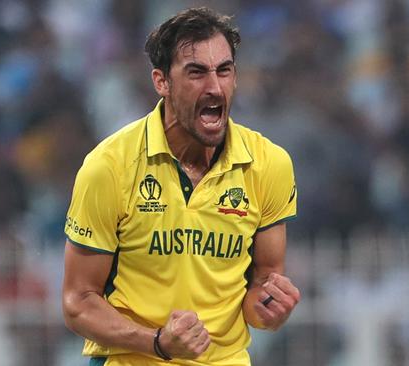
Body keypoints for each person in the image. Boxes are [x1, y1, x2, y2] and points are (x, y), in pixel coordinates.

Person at [62, 7, 300, 366]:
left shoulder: (269, 165)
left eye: (224, 70)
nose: (214, 87)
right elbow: (78, 302)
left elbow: (262, 286)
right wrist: (157, 342)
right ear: (162, 82)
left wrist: (271, 309)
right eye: (196, 73)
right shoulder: (109, 167)